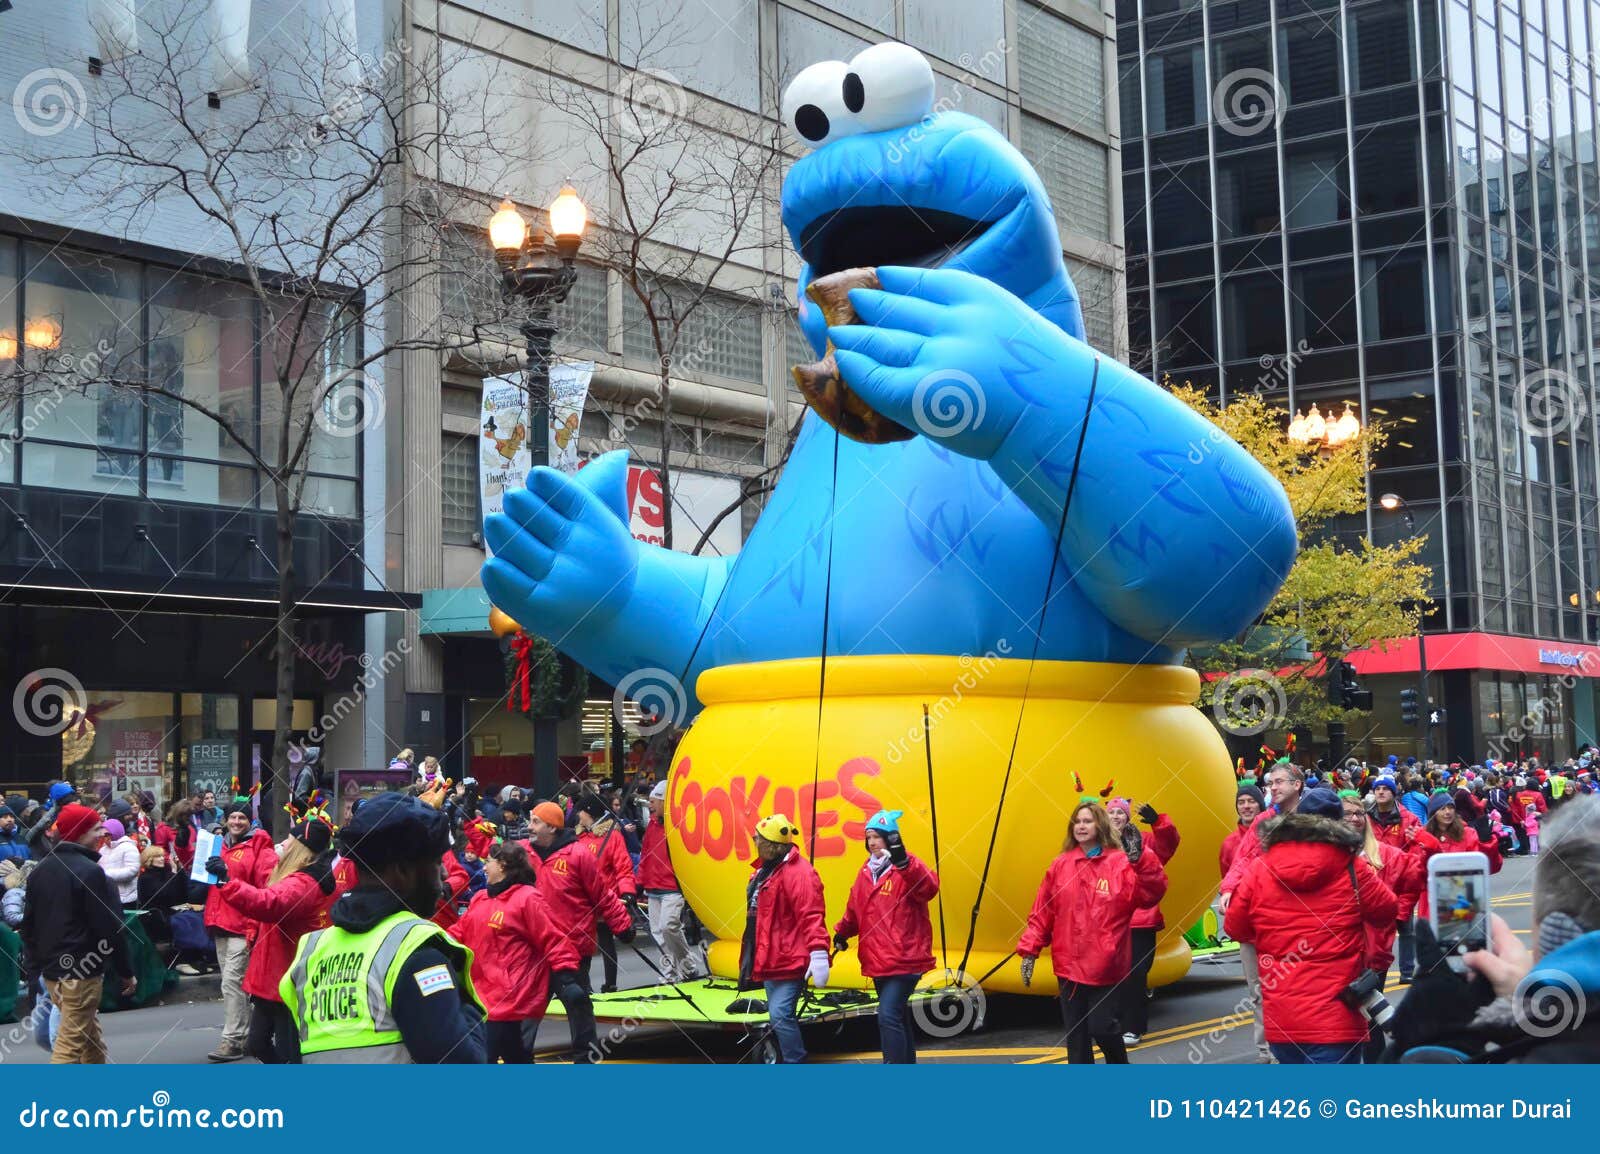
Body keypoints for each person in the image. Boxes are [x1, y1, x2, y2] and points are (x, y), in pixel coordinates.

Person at [279, 792, 485, 1062]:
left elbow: (291, 1054)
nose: (444, 875)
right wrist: (468, 1011)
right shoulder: (418, 953)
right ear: (402, 871)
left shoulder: (312, 951)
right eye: (436, 865)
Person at [1224, 788, 1398, 1064]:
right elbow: (1387, 910)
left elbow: (1235, 927)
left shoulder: (1260, 868)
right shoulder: (1352, 867)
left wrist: (1271, 931)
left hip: (1283, 1014)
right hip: (1337, 1014)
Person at [1018, 799, 1166, 1065]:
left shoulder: (1120, 862)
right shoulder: (1060, 865)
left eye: (1088, 820)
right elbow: (1043, 911)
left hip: (1106, 965)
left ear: (1101, 825)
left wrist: (1141, 861)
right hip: (1068, 965)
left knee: (1102, 1027)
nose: (1081, 826)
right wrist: (1029, 949)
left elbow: (1150, 894)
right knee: (1077, 1038)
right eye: (1077, 821)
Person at [207, 810, 352, 1063]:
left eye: (289, 840)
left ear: (300, 848)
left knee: (287, 1051)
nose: (282, 844)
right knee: (258, 1044)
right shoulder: (296, 876)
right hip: (272, 976)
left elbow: (269, 902)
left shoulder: (305, 882)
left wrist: (227, 880)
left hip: (287, 977)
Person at [19, 804, 135, 1063]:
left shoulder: (41, 869)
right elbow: (108, 928)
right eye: (95, 828)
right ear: (79, 832)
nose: (102, 833)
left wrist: (37, 970)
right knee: (70, 1046)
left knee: (89, 1039)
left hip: (53, 973)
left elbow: (29, 928)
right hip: (80, 974)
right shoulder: (90, 871)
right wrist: (126, 971)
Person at [524, 800, 632, 1062]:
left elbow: (602, 895)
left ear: (552, 826)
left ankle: (585, 1060)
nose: (529, 826)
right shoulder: (523, 853)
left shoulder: (579, 855)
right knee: (525, 1008)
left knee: (578, 1005)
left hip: (571, 949)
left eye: (535, 821)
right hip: (533, 949)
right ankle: (518, 1058)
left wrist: (622, 925)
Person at [831, 809, 938, 1063]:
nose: (871, 842)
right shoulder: (865, 872)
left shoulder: (907, 866)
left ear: (891, 839)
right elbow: (855, 909)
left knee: (888, 1014)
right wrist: (842, 932)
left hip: (905, 957)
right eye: (868, 838)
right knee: (897, 1016)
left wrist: (905, 864)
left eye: (877, 837)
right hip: (878, 959)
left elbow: (929, 888)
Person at [1220, 760, 1305, 1062]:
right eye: (1272, 782)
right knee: (1261, 990)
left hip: (1300, 919)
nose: (1274, 787)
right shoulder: (1264, 821)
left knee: (1296, 986)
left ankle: (1299, 1046)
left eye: (1280, 781)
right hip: (1261, 917)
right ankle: (1267, 1052)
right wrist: (1229, 889)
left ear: (1297, 784)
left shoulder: (1315, 816)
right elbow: (1242, 859)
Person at [448, 841, 557, 1063]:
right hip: (483, 994)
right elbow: (459, 931)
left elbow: (552, 939)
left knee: (483, 1057)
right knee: (516, 1056)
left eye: (488, 862)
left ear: (504, 865)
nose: (484, 867)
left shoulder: (528, 897)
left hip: (508, 998)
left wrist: (567, 976)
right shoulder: (480, 898)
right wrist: (430, 942)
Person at [741, 813, 828, 1064]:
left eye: (757, 838)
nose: (754, 840)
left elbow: (811, 914)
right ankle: (783, 1057)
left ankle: (795, 1061)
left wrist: (818, 952)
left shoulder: (799, 873)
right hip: (771, 956)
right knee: (778, 1013)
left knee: (780, 1013)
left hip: (790, 956)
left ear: (770, 844)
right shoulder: (765, 870)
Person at [1340, 792, 1422, 1056]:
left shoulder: (1386, 854)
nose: (1354, 818)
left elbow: (1414, 878)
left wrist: (1399, 913)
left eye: (1358, 813)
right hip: (1337, 951)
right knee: (1344, 1022)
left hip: (1375, 951)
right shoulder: (1329, 856)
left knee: (1373, 1022)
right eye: (1347, 813)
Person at [203, 801, 277, 1062]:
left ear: (250, 821)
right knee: (236, 984)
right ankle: (249, 1035)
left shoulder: (259, 846)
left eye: (241, 818)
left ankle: (233, 1040)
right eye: (232, 817)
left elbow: (265, 886)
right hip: (220, 921)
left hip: (243, 923)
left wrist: (254, 925)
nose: (236, 822)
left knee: (231, 983)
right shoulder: (219, 843)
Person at [1109, 798, 1178, 1044]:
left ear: (1127, 817)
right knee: (1112, 975)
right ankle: (1112, 1023)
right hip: (1111, 922)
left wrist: (1159, 822)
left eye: (1120, 812)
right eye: (1112, 812)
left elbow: (1169, 845)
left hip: (1141, 921)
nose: (1116, 816)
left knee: (1136, 974)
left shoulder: (1145, 840)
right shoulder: (1101, 844)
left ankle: (1133, 1026)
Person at [636, 781, 705, 982]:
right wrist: (640, 882)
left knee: (669, 927)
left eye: (652, 801)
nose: (649, 805)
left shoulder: (677, 825)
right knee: (659, 933)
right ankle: (670, 974)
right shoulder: (653, 825)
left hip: (672, 886)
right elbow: (646, 854)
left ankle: (687, 966)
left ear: (663, 801)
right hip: (654, 886)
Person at [576, 794, 639, 993]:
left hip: (605, 898)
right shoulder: (579, 837)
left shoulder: (613, 837)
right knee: (581, 944)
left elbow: (623, 868)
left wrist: (628, 892)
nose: (578, 815)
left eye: (582, 812)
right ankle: (583, 985)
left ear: (590, 814)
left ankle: (610, 983)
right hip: (583, 900)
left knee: (605, 942)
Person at [1218, 783, 1262, 879]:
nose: (1246, 806)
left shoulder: (1273, 836)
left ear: (1261, 805)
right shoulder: (1228, 843)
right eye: (1241, 802)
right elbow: (1226, 878)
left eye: (1251, 801)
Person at [97, 818, 140, 910]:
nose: (105, 838)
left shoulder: (129, 847)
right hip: (108, 897)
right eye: (103, 835)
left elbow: (132, 870)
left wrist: (106, 874)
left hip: (126, 899)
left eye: (108, 835)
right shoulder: (102, 850)